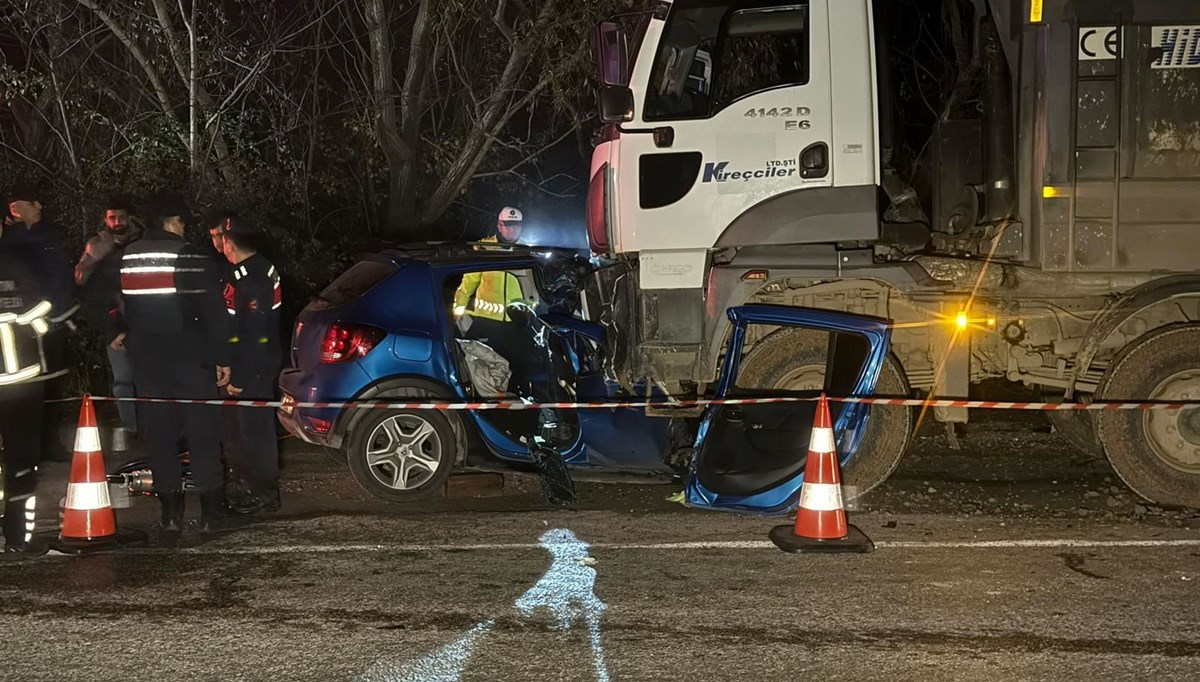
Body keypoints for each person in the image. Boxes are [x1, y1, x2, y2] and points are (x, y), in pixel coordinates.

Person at [119, 192, 235, 537]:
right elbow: (214, 315)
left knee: (161, 438)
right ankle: (211, 515)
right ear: (174, 222)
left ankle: (170, 516)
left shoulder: (127, 256)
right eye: (184, 222)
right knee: (203, 436)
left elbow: (120, 304)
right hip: (190, 361)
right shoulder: (190, 257)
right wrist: (224, 358)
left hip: (148, 364)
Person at [0, 207, 67, 556]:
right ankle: (17, 539)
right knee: (22, 462)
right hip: (19, 382)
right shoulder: (14, 264)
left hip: (19, 380)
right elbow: (42, 309)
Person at [3, 188, 76, 464]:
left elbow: (59, 281)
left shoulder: (48, 236)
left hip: (50, 326)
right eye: (29, 201)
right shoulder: (11, 242)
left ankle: (48, 444)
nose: (39, 205)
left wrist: (59, 316)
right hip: (22, 334)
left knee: (51, 387)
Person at [218, 215, 283, 515]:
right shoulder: (255, 270)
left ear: (229, 243)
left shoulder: (252, 279)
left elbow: (252, 334)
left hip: (254, 366)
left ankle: (263, 492)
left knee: (255, 430)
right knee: (242, 429)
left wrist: (240, 374)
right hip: (254, 362)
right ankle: (246, 485)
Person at [76, 196, 144, 445]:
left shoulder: (145, 240)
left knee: (150, 378)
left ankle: (155, 428)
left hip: (147, 322)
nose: (116, 222)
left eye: (121, 216)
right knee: (123, 380)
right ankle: (130, 429)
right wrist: (112, 327)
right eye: (111, 217)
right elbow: (84, 285)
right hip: (115, 323)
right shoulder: (97, 245)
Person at [452, 207, 530, 391]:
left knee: (517, 372)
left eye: (516, 226)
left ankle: (517, 411)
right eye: (508, 226)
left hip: (517, 325)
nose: (512, 230)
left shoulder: (527, 250)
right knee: (485, 373)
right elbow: (467, 285)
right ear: (499, 225)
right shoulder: (484, 248)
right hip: (487, 325)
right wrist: (457, 315)